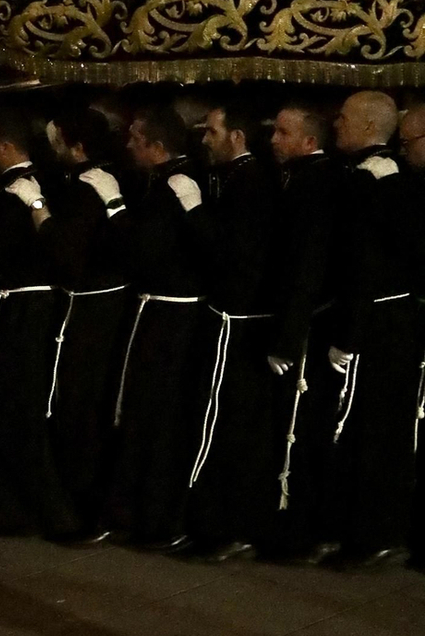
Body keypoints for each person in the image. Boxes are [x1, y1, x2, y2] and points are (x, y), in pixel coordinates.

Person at [0, 107, 79, 540]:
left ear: (5, 146)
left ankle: (52, 514)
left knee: (18, 412)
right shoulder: (28, 184)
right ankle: (8, 507)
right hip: (22, 308)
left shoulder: (25, 190)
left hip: (26, 312)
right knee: (3, 410)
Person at [104, 104, 207, 548]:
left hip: (171, 318)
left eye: (136, 138)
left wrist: (112, 207)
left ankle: (159, 520)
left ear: (157, 147)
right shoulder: (161, 183)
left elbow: (145, 249)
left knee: (158, 417)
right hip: (161, 312)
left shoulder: (177, 185)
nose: (128, 144)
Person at [178, 98, 277, 560]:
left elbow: (229, 252)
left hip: (236, 318)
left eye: (212, 132)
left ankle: (225, 527)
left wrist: (194, 210)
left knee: (222, 420)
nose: (204, 140)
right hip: (240, 315)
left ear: (237, 137)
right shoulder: (242, 178)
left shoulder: (251, 183)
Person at [325, 89, 417, 567]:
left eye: (342, 118)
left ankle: (370, 535)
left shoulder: (368, 183)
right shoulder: (393, 178)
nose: (334, 124)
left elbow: (362, 265)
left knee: (367, 429)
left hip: (374, 323)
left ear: (364, 127)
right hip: (393, 319)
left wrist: (347, 334)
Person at [42, 102, 130, 537]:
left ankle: (85, 511)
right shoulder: (96, 179)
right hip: (101, 309)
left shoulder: (85, 189)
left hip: (90, 314)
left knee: (81, 409)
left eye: (56, 141)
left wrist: (39, 214)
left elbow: (69, 257)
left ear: (75, 147)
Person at [260, 101, 336, 560]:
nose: (274, 140)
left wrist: (287, 337)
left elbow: (306, 266)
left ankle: (299, 534)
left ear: (309, 141)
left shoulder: (314, 186)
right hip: (304, 320)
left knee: (298, 433)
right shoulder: (306, 180)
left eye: (284, 133)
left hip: (305, 328)